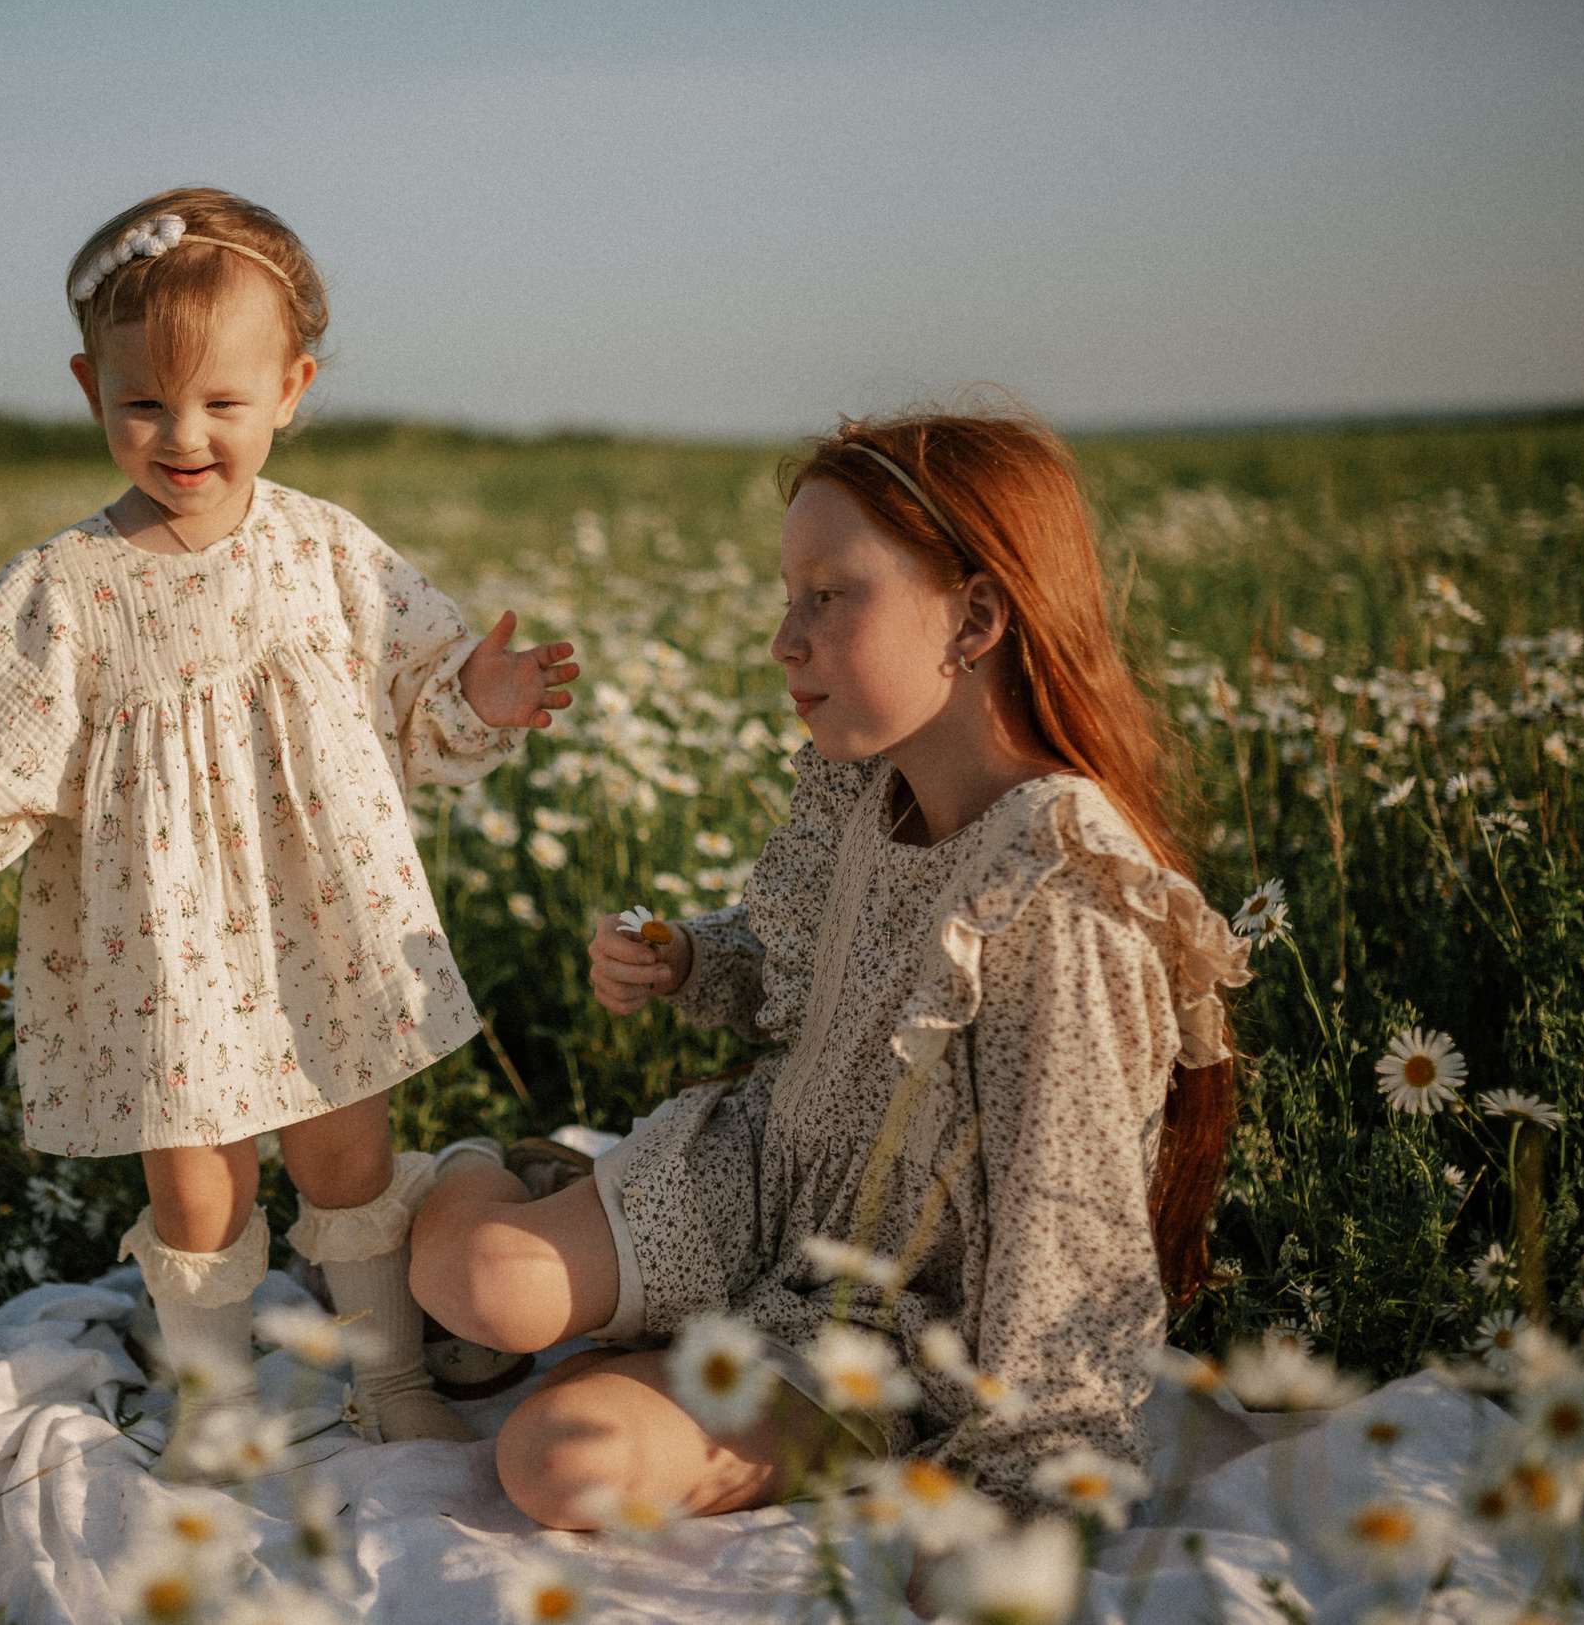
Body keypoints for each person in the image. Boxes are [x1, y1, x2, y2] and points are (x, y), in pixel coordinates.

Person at [0, 188, 577, 1474]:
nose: (182, 436)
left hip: (323, 911)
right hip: (162, 942)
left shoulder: (324, 549)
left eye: (223, 405)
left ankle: (392, 1376)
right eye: (143, 405)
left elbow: (415, 685)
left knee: (349, 1154)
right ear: (90, 390)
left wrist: (481, 694)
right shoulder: (62, 588)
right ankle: (219, 1409)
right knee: (195, 1187)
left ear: (291, 388)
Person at [408, 406, 1249, 1546]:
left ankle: (618, 1301)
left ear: (977, 616)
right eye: (787, 595)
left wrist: (1031, 1490)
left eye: (827, 595)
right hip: (760, 1181)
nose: (782, 640)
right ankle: (486, 1175)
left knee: (558, 1457)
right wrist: (692, 957)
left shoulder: (1064, 894)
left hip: (889, 1325)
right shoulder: (860, 791)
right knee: (481, 1280)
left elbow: (1071, 1219)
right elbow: (793, 972)